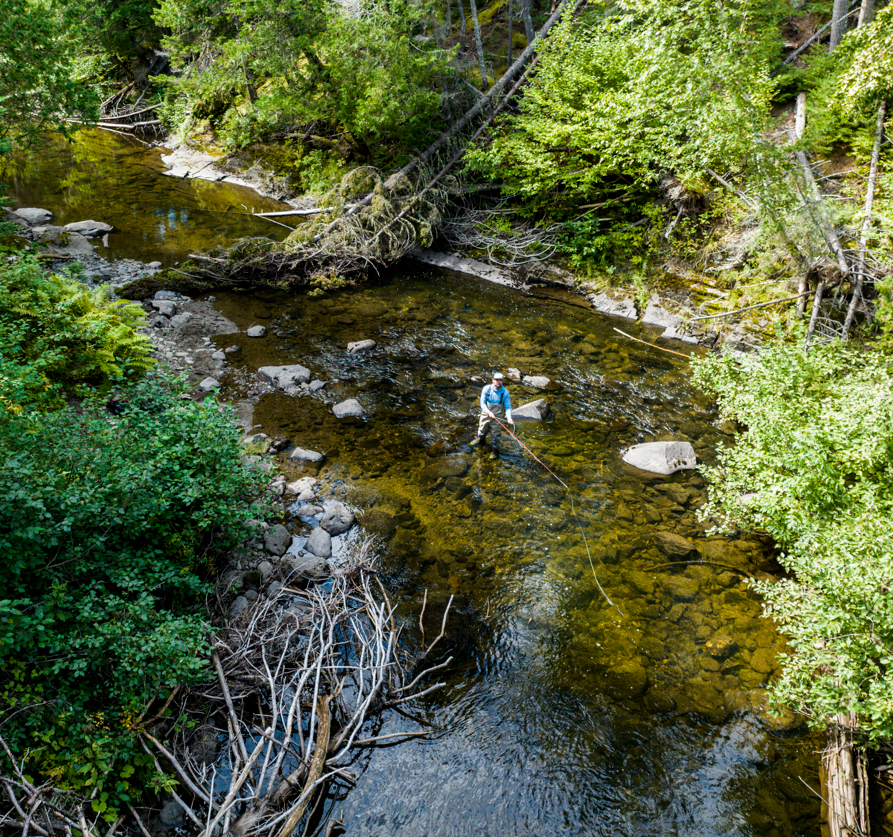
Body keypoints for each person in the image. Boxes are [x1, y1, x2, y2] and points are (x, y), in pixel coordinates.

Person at [471, 372, 513, 458]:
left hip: (497, 417)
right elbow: (482, 404)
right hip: (486, 414)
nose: (499, 382)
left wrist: (509, 418)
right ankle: (480, 440)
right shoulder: (486, 389)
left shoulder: (505, 393)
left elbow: (508, 407)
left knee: (496, 435)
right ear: (493, 380)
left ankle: (495, 451)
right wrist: (488, 412)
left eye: (500, 380)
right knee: (482, 430)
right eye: (497, 380)